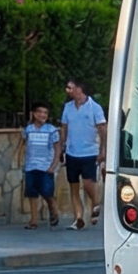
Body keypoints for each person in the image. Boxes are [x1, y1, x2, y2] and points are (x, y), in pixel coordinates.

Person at [60, 78, 106, 231]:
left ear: (79, 89)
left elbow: (102, 129)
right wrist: (62, 147)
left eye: (70, 88)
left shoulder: (95, 107)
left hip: (89, 152)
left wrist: (103, 149)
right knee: (73, 186)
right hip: (72, 152)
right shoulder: (68, 107)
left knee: (87, 183)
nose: (68, 91)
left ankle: (95, 202)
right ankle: (78, 218)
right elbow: (64, 128)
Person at [19, 102, 62, 229]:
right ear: (33, 114)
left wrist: (53, 165)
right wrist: (21, 161)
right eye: (40, 112)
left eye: (45, 113)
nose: (43, 115)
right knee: (31, 193)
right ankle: (33, 220)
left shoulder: (51, 130)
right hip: (31, 166)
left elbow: (57, 148)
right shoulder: (28, 130)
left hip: (46, 166)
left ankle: (53, 208)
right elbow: (23, 145)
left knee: (47, 191)